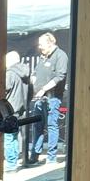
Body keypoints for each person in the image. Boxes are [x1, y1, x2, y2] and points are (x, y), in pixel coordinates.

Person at [30, 31, 69, 164]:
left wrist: (44, 89)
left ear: (50, 43)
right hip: (39, 98)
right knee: (37, 126)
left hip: (53, 98)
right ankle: (34, 155)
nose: (39, 47)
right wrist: (34, 81)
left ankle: (51, 157)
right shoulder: (43, 57)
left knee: (52, 126)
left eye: (41, 44)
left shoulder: (60, 55)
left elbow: (60, 76)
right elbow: (35, 72)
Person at [3, 50, 29, 168]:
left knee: (9, 137)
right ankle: (14, 160)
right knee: (15, 136)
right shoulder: (26, 72)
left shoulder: (10, 73)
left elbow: (4, 89)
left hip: (10, 109)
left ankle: (11, 163)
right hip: (22, 109)